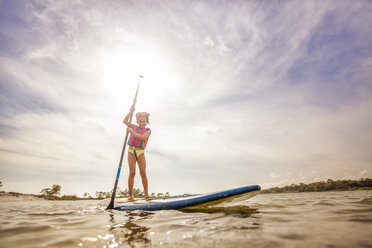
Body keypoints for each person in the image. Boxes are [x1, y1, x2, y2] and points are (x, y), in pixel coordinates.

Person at [123, 105, 151, 201]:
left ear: (147, 121)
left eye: (144, 121)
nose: (142, 123)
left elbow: (142, 137)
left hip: (140, 152)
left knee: (143, 172)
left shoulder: (148, 130)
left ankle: (146, 194)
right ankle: (130, 195)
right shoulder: (134, 126)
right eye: (140, 121)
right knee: (132, 172)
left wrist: (131, 132)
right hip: (131, 151)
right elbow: (125, 121)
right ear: (137, 121)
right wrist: (130, 111)